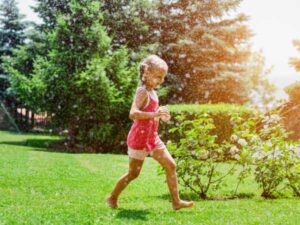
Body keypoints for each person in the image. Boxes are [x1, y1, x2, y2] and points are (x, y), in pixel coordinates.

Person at [106, 54, 194, 210]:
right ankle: (112, 197)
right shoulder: (142, 92)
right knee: (133, 174)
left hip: (152, 139)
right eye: (158, 76)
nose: (161, 80)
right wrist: (154, 114)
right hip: (138, 139)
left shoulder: (153, 92)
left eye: (163, 77)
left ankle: (176, 201)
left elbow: (153, 116)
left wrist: (161, 116)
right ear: (146, 73)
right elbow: (133, 113)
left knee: (171, 165)